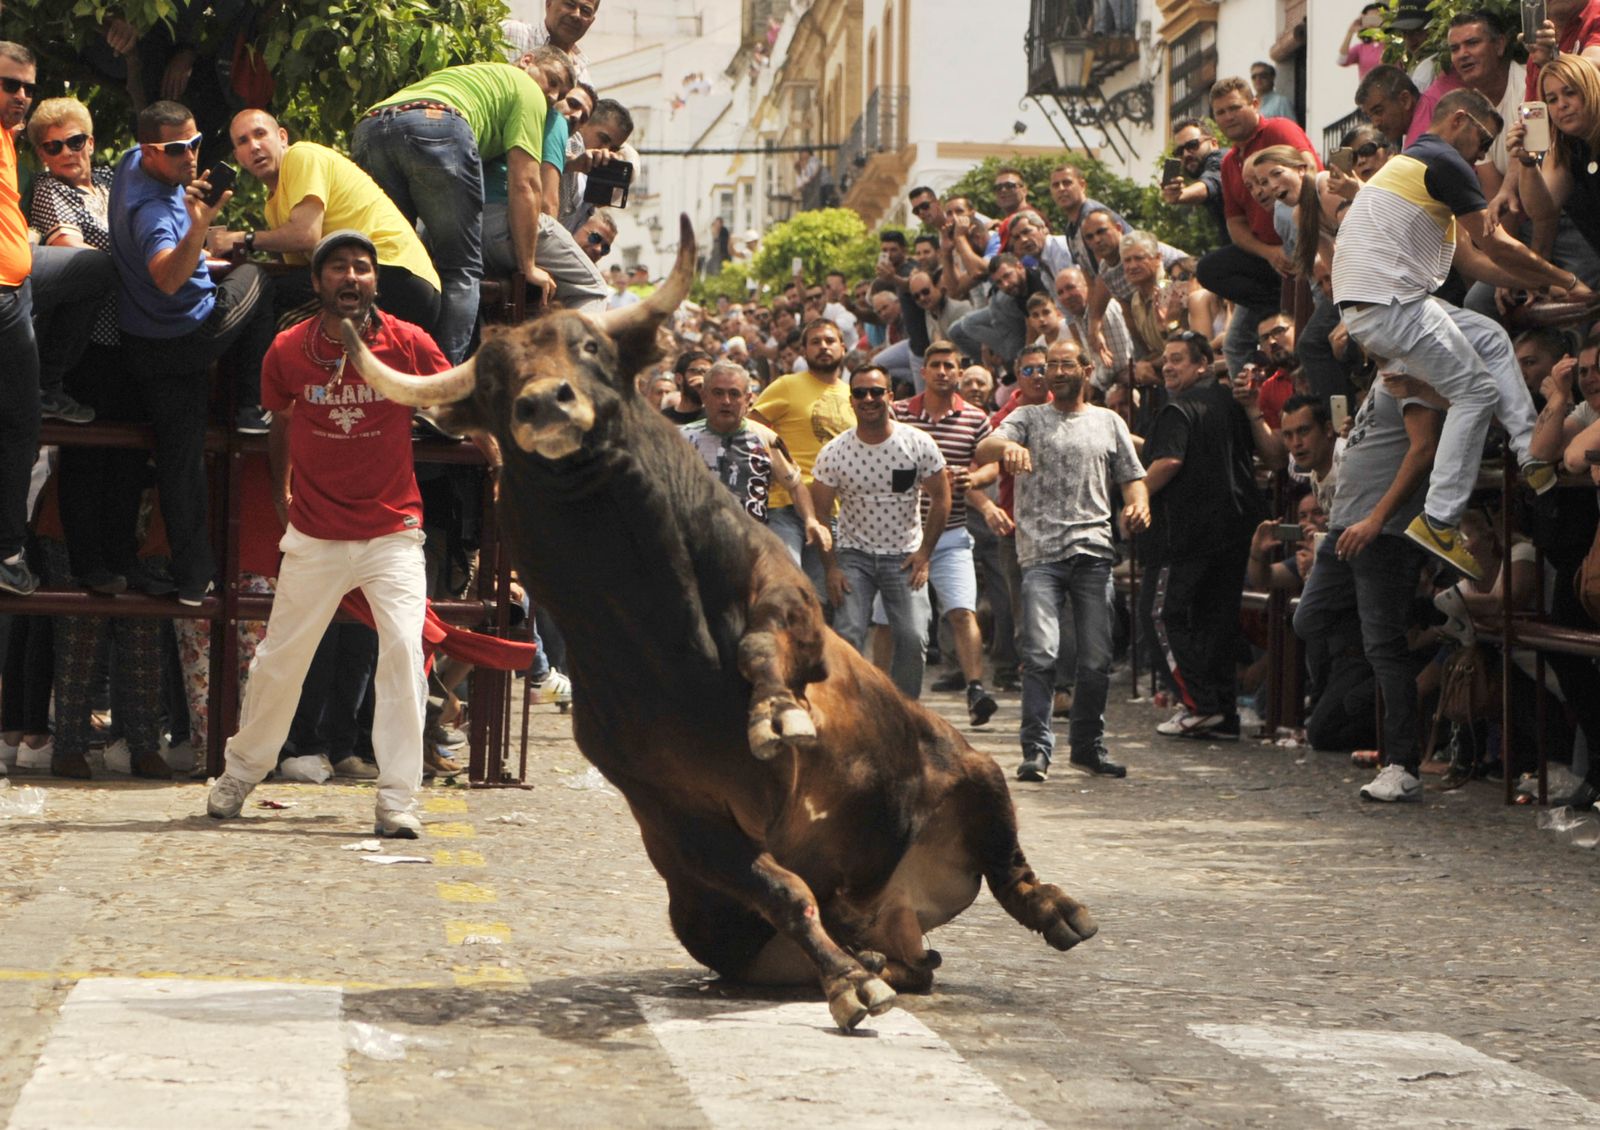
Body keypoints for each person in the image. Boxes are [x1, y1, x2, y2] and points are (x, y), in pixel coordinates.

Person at [206, 231, 446, 837]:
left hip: (393, 530)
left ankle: (396, 800)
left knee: (402, 654)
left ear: (375, 281)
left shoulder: (408, 342)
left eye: (362, 269)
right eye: (337, 268)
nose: (350, 277)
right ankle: (241, 770)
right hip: (315, 533)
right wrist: (283, 493)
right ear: (317, 283)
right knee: (280, 660)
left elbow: (451, 400)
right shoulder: (288, 348)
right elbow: (280, 420)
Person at [1332, 89, 1583, 580]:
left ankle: (1528, 450)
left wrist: (1536, 282)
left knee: (1488, 336)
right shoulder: (1443, 160)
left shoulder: (1416, 172)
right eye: (1483, 139)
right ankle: (1441, 519)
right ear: (1461, 121)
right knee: (1475, 390)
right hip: (1391, 303)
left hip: (1384, 304)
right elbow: (1496, 241)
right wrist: (1565, 281)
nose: (1483, 153)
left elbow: (1474, 261)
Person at [108, 99, 277, 606]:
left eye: (196, 143)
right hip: (188, 331)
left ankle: (192, 577)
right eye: (179, 149)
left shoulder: (129, 167)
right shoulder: (154, 211)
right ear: (149, 150)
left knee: (181, 461)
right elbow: (166, 276)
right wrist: (199, 225)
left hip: (146, 343)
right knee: (259, 277)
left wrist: (190, 217)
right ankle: (252, 405)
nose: (192, 156)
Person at [977, 337, 1147, 782]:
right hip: (1040, 556)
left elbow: (1133, 478)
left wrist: (1138, 504)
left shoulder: (1108, 422)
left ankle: (1087, 747)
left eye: (1065, 364)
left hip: (1094, 553)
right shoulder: (1028, 418)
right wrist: (1006, 450)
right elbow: (985, 448)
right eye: (1048, 366)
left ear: (1087, 370)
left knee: (1095, 660)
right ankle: (1036, 750)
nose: (1055, 372)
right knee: (1041, 654)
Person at [352, 52, 567, 361]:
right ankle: (438, 389)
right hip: (436, 124)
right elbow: (527, 185)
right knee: (462, 271)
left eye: (560, 95)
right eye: (554, 81)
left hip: (372, 125)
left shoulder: (470, 76)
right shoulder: (527, 89)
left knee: (387, 262)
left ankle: (378, 369)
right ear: (526, 60)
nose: (553, 96)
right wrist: (529, 266)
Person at [1293, 373, 1444, 804]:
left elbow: (1423, 448)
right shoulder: (1382, 378)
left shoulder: (1407, 371)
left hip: (1383, 534)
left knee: (1385, 648)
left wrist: (1377, 519)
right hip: (1345, 526)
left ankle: (1402, 764)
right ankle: (1374, 665)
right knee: (1309, 617)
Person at [26, 96, 146, 592]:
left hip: (136, 333)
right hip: (89, 341)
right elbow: (70, 252)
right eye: (53, 147)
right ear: (42, 156)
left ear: (91, 141)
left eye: (74, 141)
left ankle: (125, 559)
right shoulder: (49, 190)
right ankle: (87, 563)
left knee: (132, 453)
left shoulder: (117, 183)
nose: (66, 153)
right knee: (88, 454)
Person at [1141, 331, 1268, 741]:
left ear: (1202, 365)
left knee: (1160, 614)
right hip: (1233, 532)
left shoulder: (1178, 409)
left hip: (1186, 536)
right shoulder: (1230, 404)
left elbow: (1170, 461)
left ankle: (1198, 704)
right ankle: (1221, 713)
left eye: (1178, 359)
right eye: (1165, 360)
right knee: (1216, 621)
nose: (1169, 367)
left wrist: (1135, 495)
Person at [220, 109, 442, 332]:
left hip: (394, 274)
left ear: (282, 137)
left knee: (266, 296)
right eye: (243, 141)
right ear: (238, 157)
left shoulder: (301, 156)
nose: (255, 146)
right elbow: (301, 272)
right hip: (363, 279)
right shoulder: (272, 205)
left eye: (260, 134)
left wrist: (243, 238)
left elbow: (305, 236)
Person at [811, 365, 950, 700]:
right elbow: (820, 512)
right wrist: (831, 567)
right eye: (860, 393)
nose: (868, 399)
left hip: (905, 555)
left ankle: (904, 714)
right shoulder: (834, 452)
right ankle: (850, 712)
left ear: (890, 396)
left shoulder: (917, 443)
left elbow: (942, 497)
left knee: (914, 635)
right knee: (847, 633)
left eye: (876, 392)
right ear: (851, 401)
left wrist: (925, 554)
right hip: (853, 555)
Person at [894, 342, 1000, 726]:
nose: (942, 372)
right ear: (923, 371)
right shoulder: (900, 413)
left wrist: (973, 477)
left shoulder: (975, 418)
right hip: (902, 534)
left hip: (952, 532)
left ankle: (976, 688)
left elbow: (992, 466)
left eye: (949, 366)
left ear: (959, 372)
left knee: (962, 610)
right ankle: (890, 693)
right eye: (935, 365)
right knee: (896, 621)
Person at [1194, 75, 1320, 377]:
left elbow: (1310, 172)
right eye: (1220, 112)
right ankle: (1261, 401)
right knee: (1234, 340)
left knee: (1281, 209)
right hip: (1269, 258)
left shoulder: (1278, 128)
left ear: (1254, 104)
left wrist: (1292, 244)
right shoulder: (1228, 163)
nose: (1227, 117)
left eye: (1234, 108)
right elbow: (1236, 225)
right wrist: (1270, 253)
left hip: (1304, 241)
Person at [749, 318, 854, 597]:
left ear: (843, 348)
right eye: (815, 342)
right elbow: (749, 429)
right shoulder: (786, 385)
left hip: (833, 511)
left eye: (830, 341)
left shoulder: (855, 395)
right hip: (784, 504)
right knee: (787, 588)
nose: (823, 347)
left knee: (821, 597)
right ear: (804, 352)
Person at [682, 361, 829, 547]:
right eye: (718, 393)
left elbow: (795, 485)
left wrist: (810, 520)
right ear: (704, 396)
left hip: (752, 547)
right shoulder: (683, 439)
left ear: (747, 399)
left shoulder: (765, 439)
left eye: (734, 394)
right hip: (698, 545)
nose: (726, 401)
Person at [0, 40, 41, 596]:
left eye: (29, 86)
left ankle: (7, 548)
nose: (23, 96)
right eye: (10, 84)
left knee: (91, 270)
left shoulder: (10, 141)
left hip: (16, 293)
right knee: (18, 425)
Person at [1161, 117, 1229, 245]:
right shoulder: (1204, 171)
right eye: (1180, 151)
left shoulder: (1221, 158)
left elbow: (1211, 183)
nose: (1186, 154)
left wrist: (1181, 195)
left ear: (1214, 143)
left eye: (1192, 145)